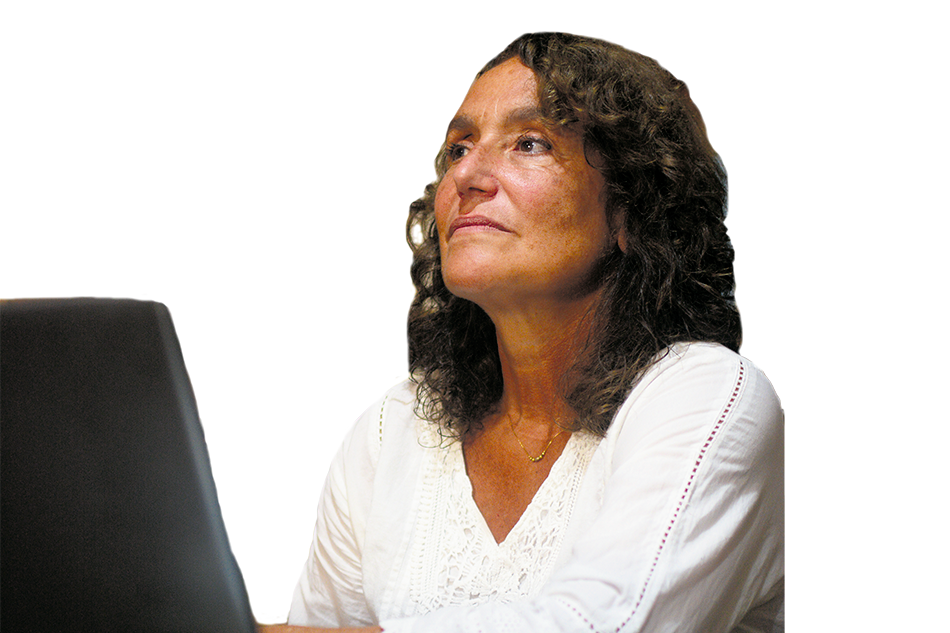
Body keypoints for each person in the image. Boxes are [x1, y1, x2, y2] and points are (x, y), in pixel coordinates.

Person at [270, 31, 784, 633]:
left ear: (629, 212)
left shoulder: (712, 395)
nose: (467, 175)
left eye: (530, 143)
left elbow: (602, 626)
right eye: (459, 148)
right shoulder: (387, 435)